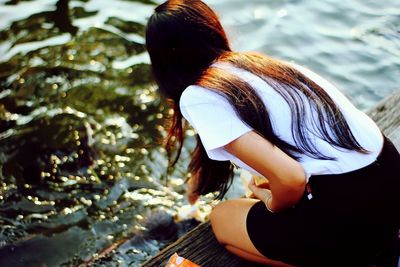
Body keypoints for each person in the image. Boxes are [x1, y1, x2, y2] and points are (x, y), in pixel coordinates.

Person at [145, 0, 400, 266]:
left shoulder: (197, 96)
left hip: (348, 210)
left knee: (222, 218)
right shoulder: (257, 66)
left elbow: (290, 178)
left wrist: (271, 202)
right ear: (212, 29)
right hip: (391, 179)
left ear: (163, 60)